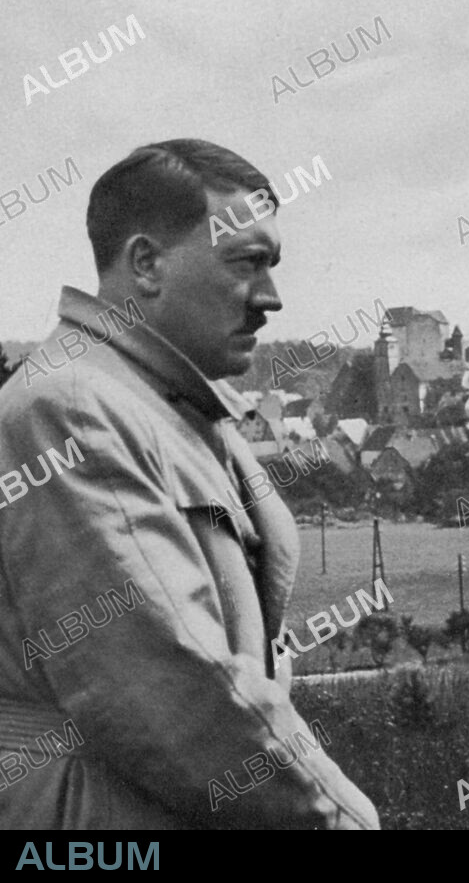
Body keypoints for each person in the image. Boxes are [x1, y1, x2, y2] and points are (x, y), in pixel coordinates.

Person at [0, 139, 379, 831]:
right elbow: (176, 688)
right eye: (246, 263)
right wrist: (346, 821)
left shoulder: (168, 403)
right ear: (146, 263)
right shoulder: (75, 404)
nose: (271, 297)